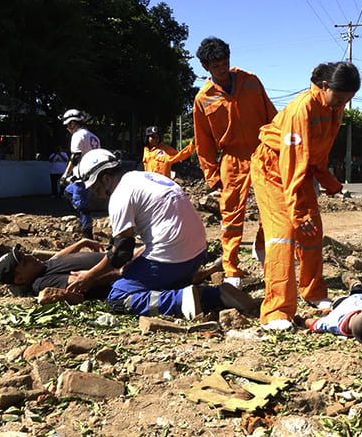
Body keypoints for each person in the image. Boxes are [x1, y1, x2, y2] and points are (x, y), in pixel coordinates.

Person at [65, 149, 258, 318]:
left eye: (96, 187)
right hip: (197, 253)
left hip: (173, 258)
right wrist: (133, 263)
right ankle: (220, 295)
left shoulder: (119, 195)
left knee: (118, 297)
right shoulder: (145, 177)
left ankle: (183, 300)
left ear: (106, 178)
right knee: (154, 282)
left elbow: (121, 251)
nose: (98, 194)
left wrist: (88, 277)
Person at [251, 61, 361, 330]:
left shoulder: (334, 105)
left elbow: (317, 152)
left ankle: (312, 291)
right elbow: (291, 162)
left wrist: (330, 183)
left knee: (312, 231)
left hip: (299, 169)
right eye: (340, 98)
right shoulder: (302, 109)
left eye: (348, 99)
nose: (343, 104)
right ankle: (277, 310)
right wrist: (298, 212)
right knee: (284, 233)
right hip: (273, 168)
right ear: (324, 86)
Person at [193, 37, 277, 287]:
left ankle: (263, 250)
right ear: (205, 67)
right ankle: (231, 270)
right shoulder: (203, 98)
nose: (222, 68)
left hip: (263, 152)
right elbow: (203, 141)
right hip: (232, 159)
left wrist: (279, 150)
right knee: (231, 216)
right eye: (216, 65)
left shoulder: (251, 81)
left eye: (225, 62)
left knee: (270, 206)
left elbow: (272, 117)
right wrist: (212, 175)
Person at [0, 238, 115, 299]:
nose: (30, 257)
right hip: (120, 273)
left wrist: (81, 243)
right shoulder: (41, 282)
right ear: (20, 279)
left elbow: (57, 258)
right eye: (25, 262)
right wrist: (119, 271)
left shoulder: (43, 266)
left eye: (24, 254)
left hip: (118, 260)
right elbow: (82, 281)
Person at [60, 109, 101, 239]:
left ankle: (87, 234)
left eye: (68, 125)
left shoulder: (77, 135)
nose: (67, 128)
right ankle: (84, 221)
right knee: (68, 192)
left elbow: (76, 156)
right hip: (92, 173)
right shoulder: (94, 136)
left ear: (73, 123)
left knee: (82, 204)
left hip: (81, 175)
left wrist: (66, 174)